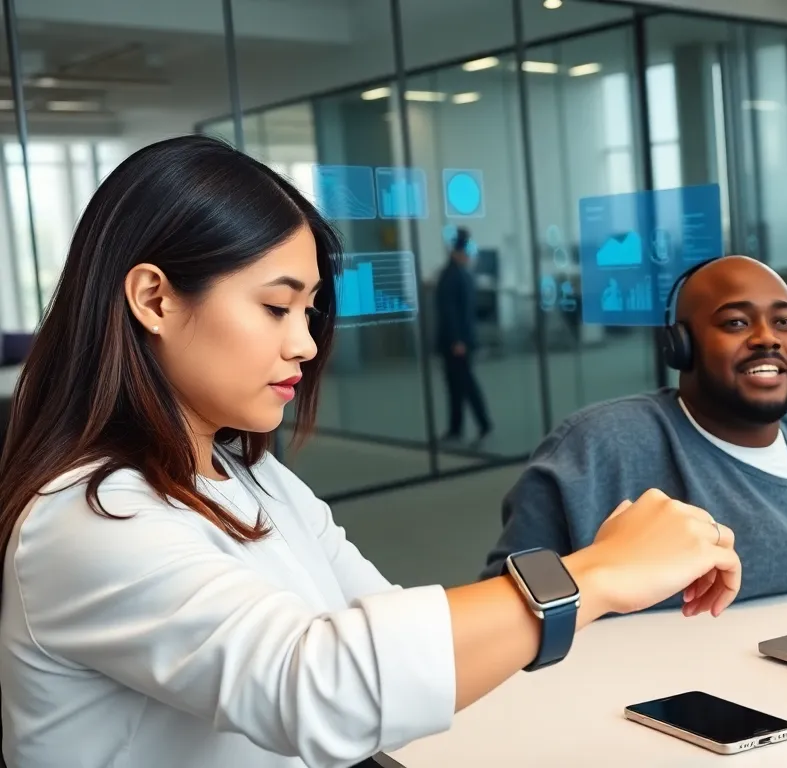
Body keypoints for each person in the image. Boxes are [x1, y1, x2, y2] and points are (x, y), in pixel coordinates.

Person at [0, 135, 742, 768]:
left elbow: (383, 630)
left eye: (310, 310)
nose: (304, 342)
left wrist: (598, 579)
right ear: (155, 299)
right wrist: (595, 572)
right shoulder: (84, 520)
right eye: (274, 307)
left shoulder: (250, 474)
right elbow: (320, 683)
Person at [480, 256, 787, 607]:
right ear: (679, 346)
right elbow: (500, 603)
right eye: (735, 321)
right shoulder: (598, 449)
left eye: (784, 322)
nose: (767, 337)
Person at [435, 227, 492, 442]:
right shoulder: (458, 275)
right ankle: (456, 428)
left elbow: (452, 312)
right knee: (456, 386)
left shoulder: (452, 275)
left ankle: (483, 423)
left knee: (464, 384)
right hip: (458, 340)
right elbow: (455, 311)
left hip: (457, 342)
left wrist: (457, 340)